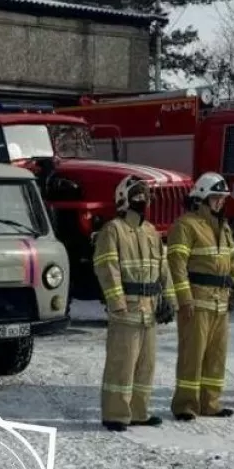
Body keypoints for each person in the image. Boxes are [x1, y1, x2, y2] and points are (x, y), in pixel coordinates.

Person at [93, 176, 177, 432]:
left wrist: (169, 299)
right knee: (122, 364)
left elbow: (164, 269)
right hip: (127, 310)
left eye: (146, 196)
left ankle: (139, 412)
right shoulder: (113, 230)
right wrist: (117, 302)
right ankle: (116, 414)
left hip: (149, 310)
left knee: (145, 366)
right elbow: (107, 267)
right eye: (138, 195)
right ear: (124, 199)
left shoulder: (151, 232)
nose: (144, 200)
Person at [165, 172, 234, 421]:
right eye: (216, 198)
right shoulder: (185, 225)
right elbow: (177, 264)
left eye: (223, 198)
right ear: (201, 198)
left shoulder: (224, 228)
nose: (220, 202)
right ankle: (185, 406)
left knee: (216, 356)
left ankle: (210, 403)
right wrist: (184, 299)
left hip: (220, 303)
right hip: (197, 302)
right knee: (193, 356)